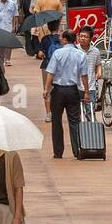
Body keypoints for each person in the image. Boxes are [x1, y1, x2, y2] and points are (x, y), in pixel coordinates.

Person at [42, 29, 89, 158]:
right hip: (73, 90)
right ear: (75, 40)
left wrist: (46, 89)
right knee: (75, 121)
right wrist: (86, 92)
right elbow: (84, 76)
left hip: (58, 90)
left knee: (56, 121)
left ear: (64, 39)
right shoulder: (81, 55)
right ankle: (77, 150)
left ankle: (58, 152)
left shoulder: (57, 53)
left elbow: (50, 72)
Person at [35, 19, 63, 117]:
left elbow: (39, 54)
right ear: (58, 27)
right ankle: (57, 112)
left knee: (47, 89)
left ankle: (48, 114)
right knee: (59, 89)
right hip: (60, 67)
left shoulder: (44, 39)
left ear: (48, 27)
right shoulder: (62, 39)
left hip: (46, 66)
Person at [77, 26, 103, 110]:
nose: (82, 38)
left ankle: (91, 123)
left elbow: (98, 64)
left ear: (91, 38)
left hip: (91, 87)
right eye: (81, 36)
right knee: (77, 113)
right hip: (76, 87)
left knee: (90, 112)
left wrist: (99, 72)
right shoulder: (75, 50)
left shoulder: (96, 51)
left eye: (85, 37)